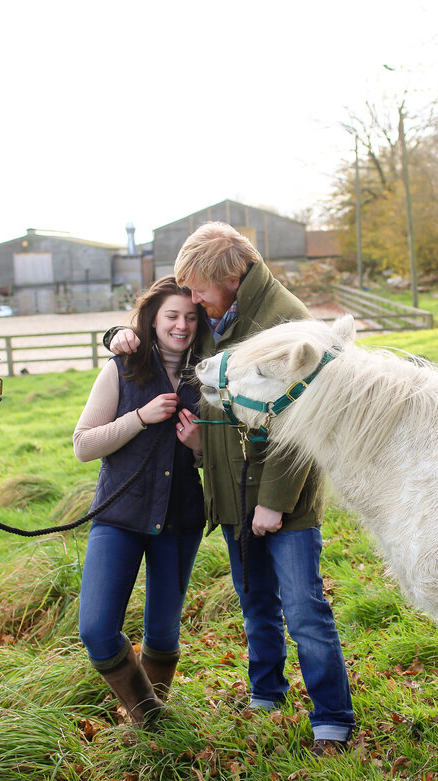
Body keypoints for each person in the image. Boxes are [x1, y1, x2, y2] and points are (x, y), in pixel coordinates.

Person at [109, 222, 355, 753]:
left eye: (199, 290)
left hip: (279, 498)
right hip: (229, 487)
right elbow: (161, 328)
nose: (193, 305)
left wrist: (273, 501)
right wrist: (120, 335)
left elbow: (301, 420)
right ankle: (266, 694)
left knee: (303, 607)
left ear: (231, 276)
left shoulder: (285, 321)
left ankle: (332, 718)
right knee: (255, 601)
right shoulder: (217, 319)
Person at [73, 276, 210, 726]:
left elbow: (221, 457)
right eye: (172, 316)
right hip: (119, 517)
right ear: (152, 320)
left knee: (163, 632)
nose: (181, 326)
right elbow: (84, 445)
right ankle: (150, 717)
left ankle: (147, 730)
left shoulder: (209, 377)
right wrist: (138, 417)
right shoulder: (120, 368)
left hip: (181, 520)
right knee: (96, 629)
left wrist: (198, 446)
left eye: (191, 317)